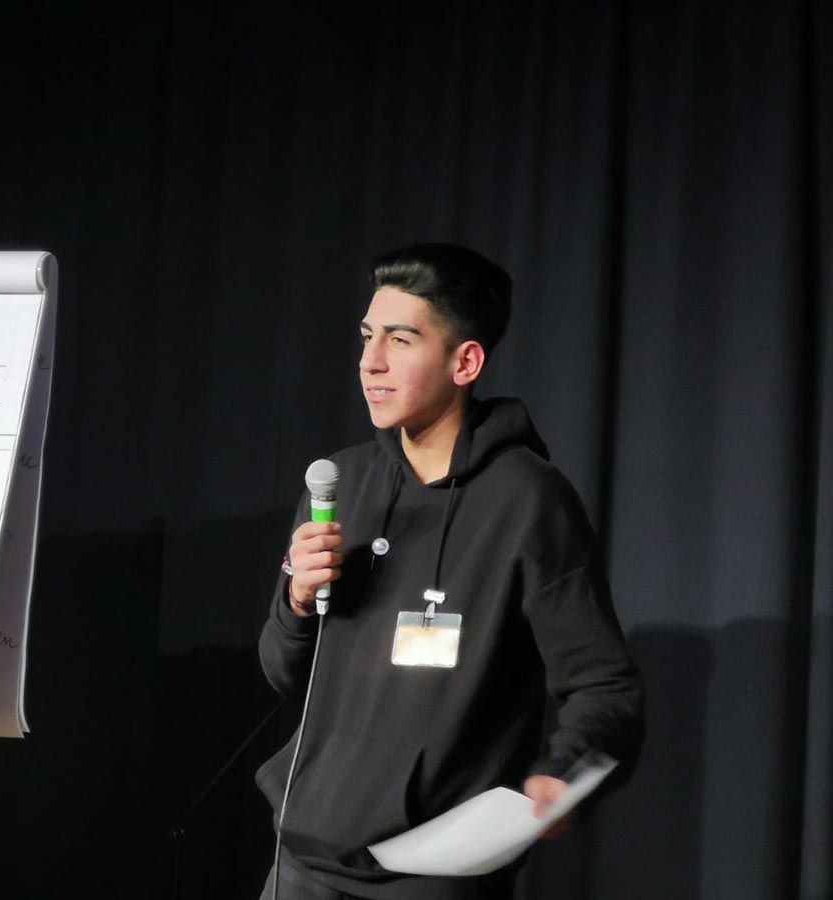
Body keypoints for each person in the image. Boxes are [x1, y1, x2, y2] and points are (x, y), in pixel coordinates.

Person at [256, 243, 644, 900]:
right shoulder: (342, 482)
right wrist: (296, 601)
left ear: (465, 362)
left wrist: (564, 770)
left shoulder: (527, 500)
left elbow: (605, 685)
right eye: (367, 336)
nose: (370, 361)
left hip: (432, 874)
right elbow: (283, 674)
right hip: (301, 863)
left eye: (400, 339)